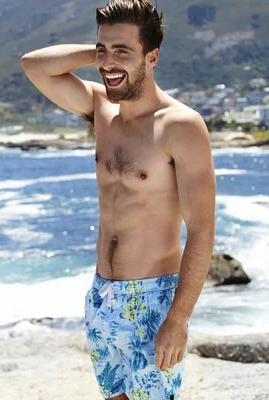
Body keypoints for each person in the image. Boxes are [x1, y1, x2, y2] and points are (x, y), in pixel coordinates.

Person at [20, 0, 216, 399]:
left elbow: (201, 229)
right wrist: (101, 55)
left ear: (152, 56)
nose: (108, 63)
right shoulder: (101, 109)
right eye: (102, 50)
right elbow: (34, 65)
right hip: (102, 296)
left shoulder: (180, 125)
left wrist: (178, 319)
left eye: (123, 51)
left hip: (153, 300)